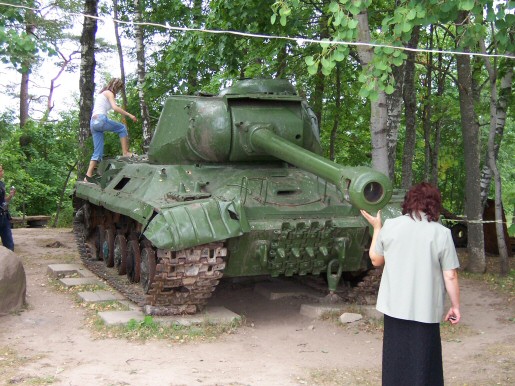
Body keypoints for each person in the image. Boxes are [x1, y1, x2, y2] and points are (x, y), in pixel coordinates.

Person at [360, 182, 460, 386]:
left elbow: (376, 260)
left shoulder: (392, 226)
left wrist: (377, 228)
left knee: (396, 358)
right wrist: (455, 306)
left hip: (395, 307)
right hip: (426, 309)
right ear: (434, 204)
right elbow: (450, 275)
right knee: (424, 361)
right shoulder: (441, 233)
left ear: (409, 202)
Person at [85, 78, 138, 181]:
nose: (118, 91)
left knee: (97, 153)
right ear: (116, 87)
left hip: (93, 123)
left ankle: (87, 176)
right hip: (100, 120)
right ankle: (125, 152)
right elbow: (115, 108)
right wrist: (130, 115)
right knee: (122, 128)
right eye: (118, 89)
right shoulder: (109, 93)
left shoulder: (101, 94)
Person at [0, 164, 16, 251]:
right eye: (1, 170)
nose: (2, 172)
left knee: (9, 245)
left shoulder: (1, 184)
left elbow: (4, 200)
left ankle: (10, 263)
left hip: (4, 216)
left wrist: (11, 195)